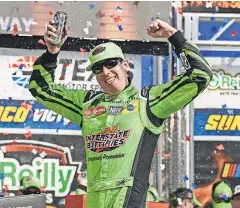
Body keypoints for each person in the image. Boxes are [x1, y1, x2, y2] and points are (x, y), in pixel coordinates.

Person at [29, 18, 212, 208]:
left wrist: (173, 36)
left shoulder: (148, 101)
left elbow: (201, 74)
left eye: (110, 64)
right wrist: (51, 53)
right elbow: (41, 89)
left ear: (125, 64)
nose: (105, 72)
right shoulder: (87, 104)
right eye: (98, 68)